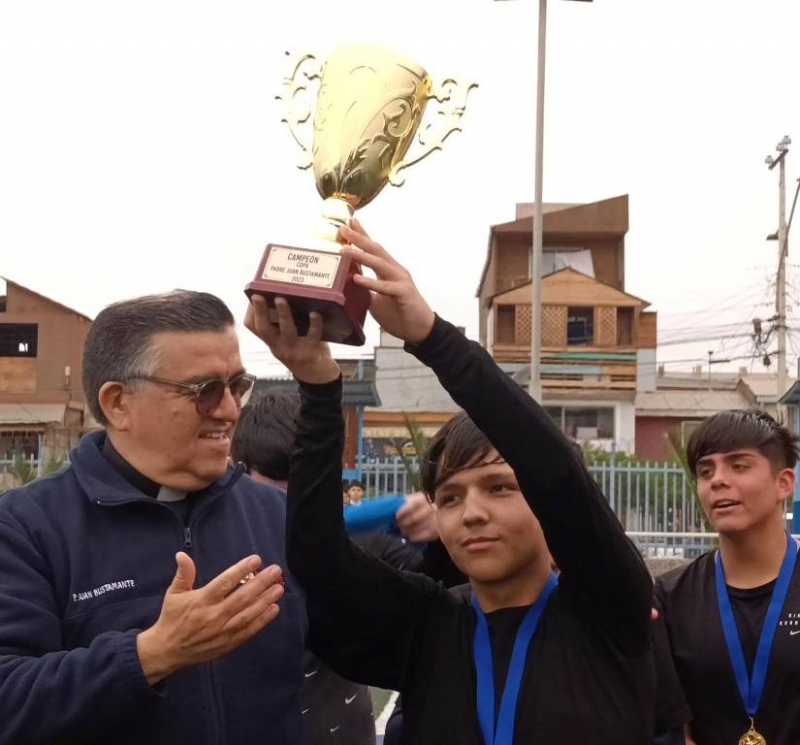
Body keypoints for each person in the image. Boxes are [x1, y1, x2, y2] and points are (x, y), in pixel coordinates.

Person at [245, 221, 659, 744]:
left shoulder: (607, 610)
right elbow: (318, 556)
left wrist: (432, 337)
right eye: (450, 497)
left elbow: (555, 472)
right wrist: (319, 388)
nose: (473, 512)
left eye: (501, 487)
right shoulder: (429, 627)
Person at [0, 290, 305, 745]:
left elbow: (376, 641)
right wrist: (150, 656)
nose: (229, 409)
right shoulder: (26, 528)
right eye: (204, 391)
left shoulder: (276, 515)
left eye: (237, 386)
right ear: (119, 403)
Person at [231, 387, 466, 745]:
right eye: (277, 487)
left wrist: (443, 536)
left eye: (308, 487)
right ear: (240, 471)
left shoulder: (356, 539)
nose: (294, 507)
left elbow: (442, 603)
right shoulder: (216, 540)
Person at [656, 410, 800, 745]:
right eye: (706, 471)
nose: (717, 480)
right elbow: (668, 726)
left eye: (739, 466)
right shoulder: (669, 596)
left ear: (784, 483)